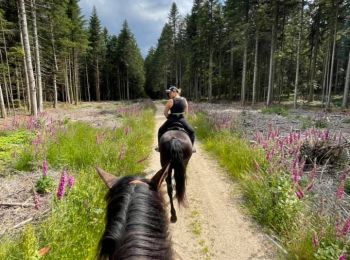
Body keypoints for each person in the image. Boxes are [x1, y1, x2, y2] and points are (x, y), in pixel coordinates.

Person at [156, 85, 195, 151]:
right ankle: (191, 147)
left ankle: (160, 147)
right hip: (182, 119)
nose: (169, 94)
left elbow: (165, 113)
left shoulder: (170, 101)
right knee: (192, 132)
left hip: (172, 119)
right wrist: (182, 118)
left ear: (175, 92)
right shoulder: (184, 100)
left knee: (160, 130)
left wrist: (169, 118)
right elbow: (186, 113)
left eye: (170, 92)